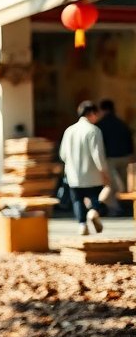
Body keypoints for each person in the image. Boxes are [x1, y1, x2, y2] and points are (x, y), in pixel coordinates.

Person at [60, 100, 110, 235]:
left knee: (77, 200)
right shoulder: (94, 131)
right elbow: (97, 154)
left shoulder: (69, 130)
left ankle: (82, 224)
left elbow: (63, 154)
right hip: (92, 174)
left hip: (73, 175)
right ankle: (93, 211)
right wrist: (104, 171)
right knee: (97, 196)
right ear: (91, 113)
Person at [96, 99, 133, 213]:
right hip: (125, 157)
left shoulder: (100, 125)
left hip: (110, 158)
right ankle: (126, 206)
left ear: (103, 110)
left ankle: (114, 208)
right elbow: (129, 140)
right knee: (123, 185)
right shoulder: (122, 123)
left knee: (110, 185)